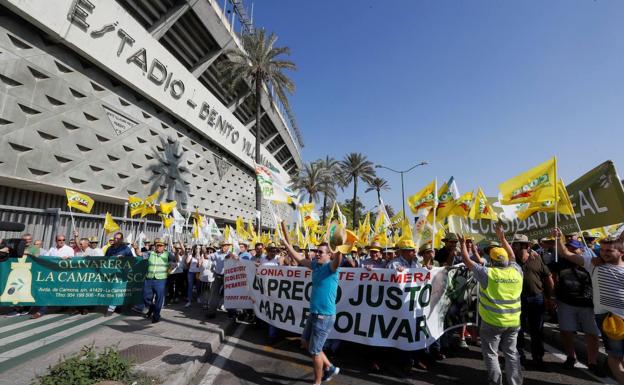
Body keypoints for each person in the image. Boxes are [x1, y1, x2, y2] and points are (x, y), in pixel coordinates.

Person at [554, 228, 622, 381]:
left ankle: (593, 362)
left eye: (609, 250)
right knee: (615, 357)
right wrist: (558, 238)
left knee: (596, 338)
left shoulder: (596, 261)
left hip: (593, 307)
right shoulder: (590, 263)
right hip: (578, 307)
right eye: (603, 250)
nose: (604, 253)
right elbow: (564, 253)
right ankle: (572, 357)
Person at [460, 224, 523, 385]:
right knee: (511, 353)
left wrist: (462, 244)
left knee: (491, 354)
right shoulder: (516, 271)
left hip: (492, 322)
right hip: (513, 322)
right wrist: (502, 238)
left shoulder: (488, 273)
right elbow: (512, 255)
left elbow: (467, 261)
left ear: (492, 261)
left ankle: (496, 382)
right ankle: (515, 382)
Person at [281, 236, 343, 385]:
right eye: (317, 251)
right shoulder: (316, 265)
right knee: (305, 341)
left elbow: (338, 260)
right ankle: (330, 367)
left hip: (324, 316)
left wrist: (339, 247)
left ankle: (317, 382)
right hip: (314, 313)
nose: (318, 254)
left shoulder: (331, 268)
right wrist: (286, 245)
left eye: (321, 252)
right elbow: (300, 259)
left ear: (330, 255)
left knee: (315, 351)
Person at [550, 237, 602, 374]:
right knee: (566, 331)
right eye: (569, 247)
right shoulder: (559, 262)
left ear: (581, 249)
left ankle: (593, 362)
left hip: (588, 304)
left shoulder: (590, 262)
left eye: (574, 248)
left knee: (592, 333)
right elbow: (550, 275)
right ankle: (571, 357)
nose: (572, 250)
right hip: (565, 303)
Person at [511, 234, 554, 369]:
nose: (514, 246)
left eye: (517, 244)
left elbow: (548, 277)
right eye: (514, 244)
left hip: (536, 299)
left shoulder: (537, 258)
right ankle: (520, 357)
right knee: (518, 330)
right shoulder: (510, 261)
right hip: (517, 300)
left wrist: (550, 297)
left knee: (537, 330)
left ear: (526, 246)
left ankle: (538, 358)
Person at [31, 234, 75, 319]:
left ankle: (70, 307)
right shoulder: (52, 249)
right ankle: (41, 311)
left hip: (63, 275)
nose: (61, 241)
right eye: (59, 240)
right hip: (51, 274)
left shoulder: (69, 249)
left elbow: (73, 260)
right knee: (47, 291)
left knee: (63, 292)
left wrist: (69, 258)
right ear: (56, 241)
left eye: (63, 240)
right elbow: (45, 258)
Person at [142, 238, 175, 323]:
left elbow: (174, 263)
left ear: (164, 247)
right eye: (157, 245)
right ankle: (152, 308)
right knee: (146, 297)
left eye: (161, 245)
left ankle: (156, 316)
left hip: (161, 280)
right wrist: (135, 248)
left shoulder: (168, 254)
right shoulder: (150, 253)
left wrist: (171, 265)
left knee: (159, 299)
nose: (159, 247)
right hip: (149, 278)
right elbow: (139, 254)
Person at [104, 232, 134, 316]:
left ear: (121, 239)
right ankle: (118, 306)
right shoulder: (110, 248)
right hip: (111, 272)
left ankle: (111, 308)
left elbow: (132, 259)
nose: (116, 240)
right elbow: (105, 259)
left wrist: (124, 258)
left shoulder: (126, 249)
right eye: (115, 238)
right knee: (111, 289)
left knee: (116, 290)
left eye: (118, 238)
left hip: (121, 273)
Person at [206, 241, 235, 318]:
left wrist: (233, 257)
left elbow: (237, 261)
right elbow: (207, 256)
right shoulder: (216, 253)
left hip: (228, 277)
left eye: (225, 246)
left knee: (229, 294)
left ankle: (231, 312)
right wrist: (203, 251)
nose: (223, 247)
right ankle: (212, 312)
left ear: (228, 246)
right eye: (222, 246)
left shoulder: (232, 254)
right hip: (218, 276)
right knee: (214, 294)